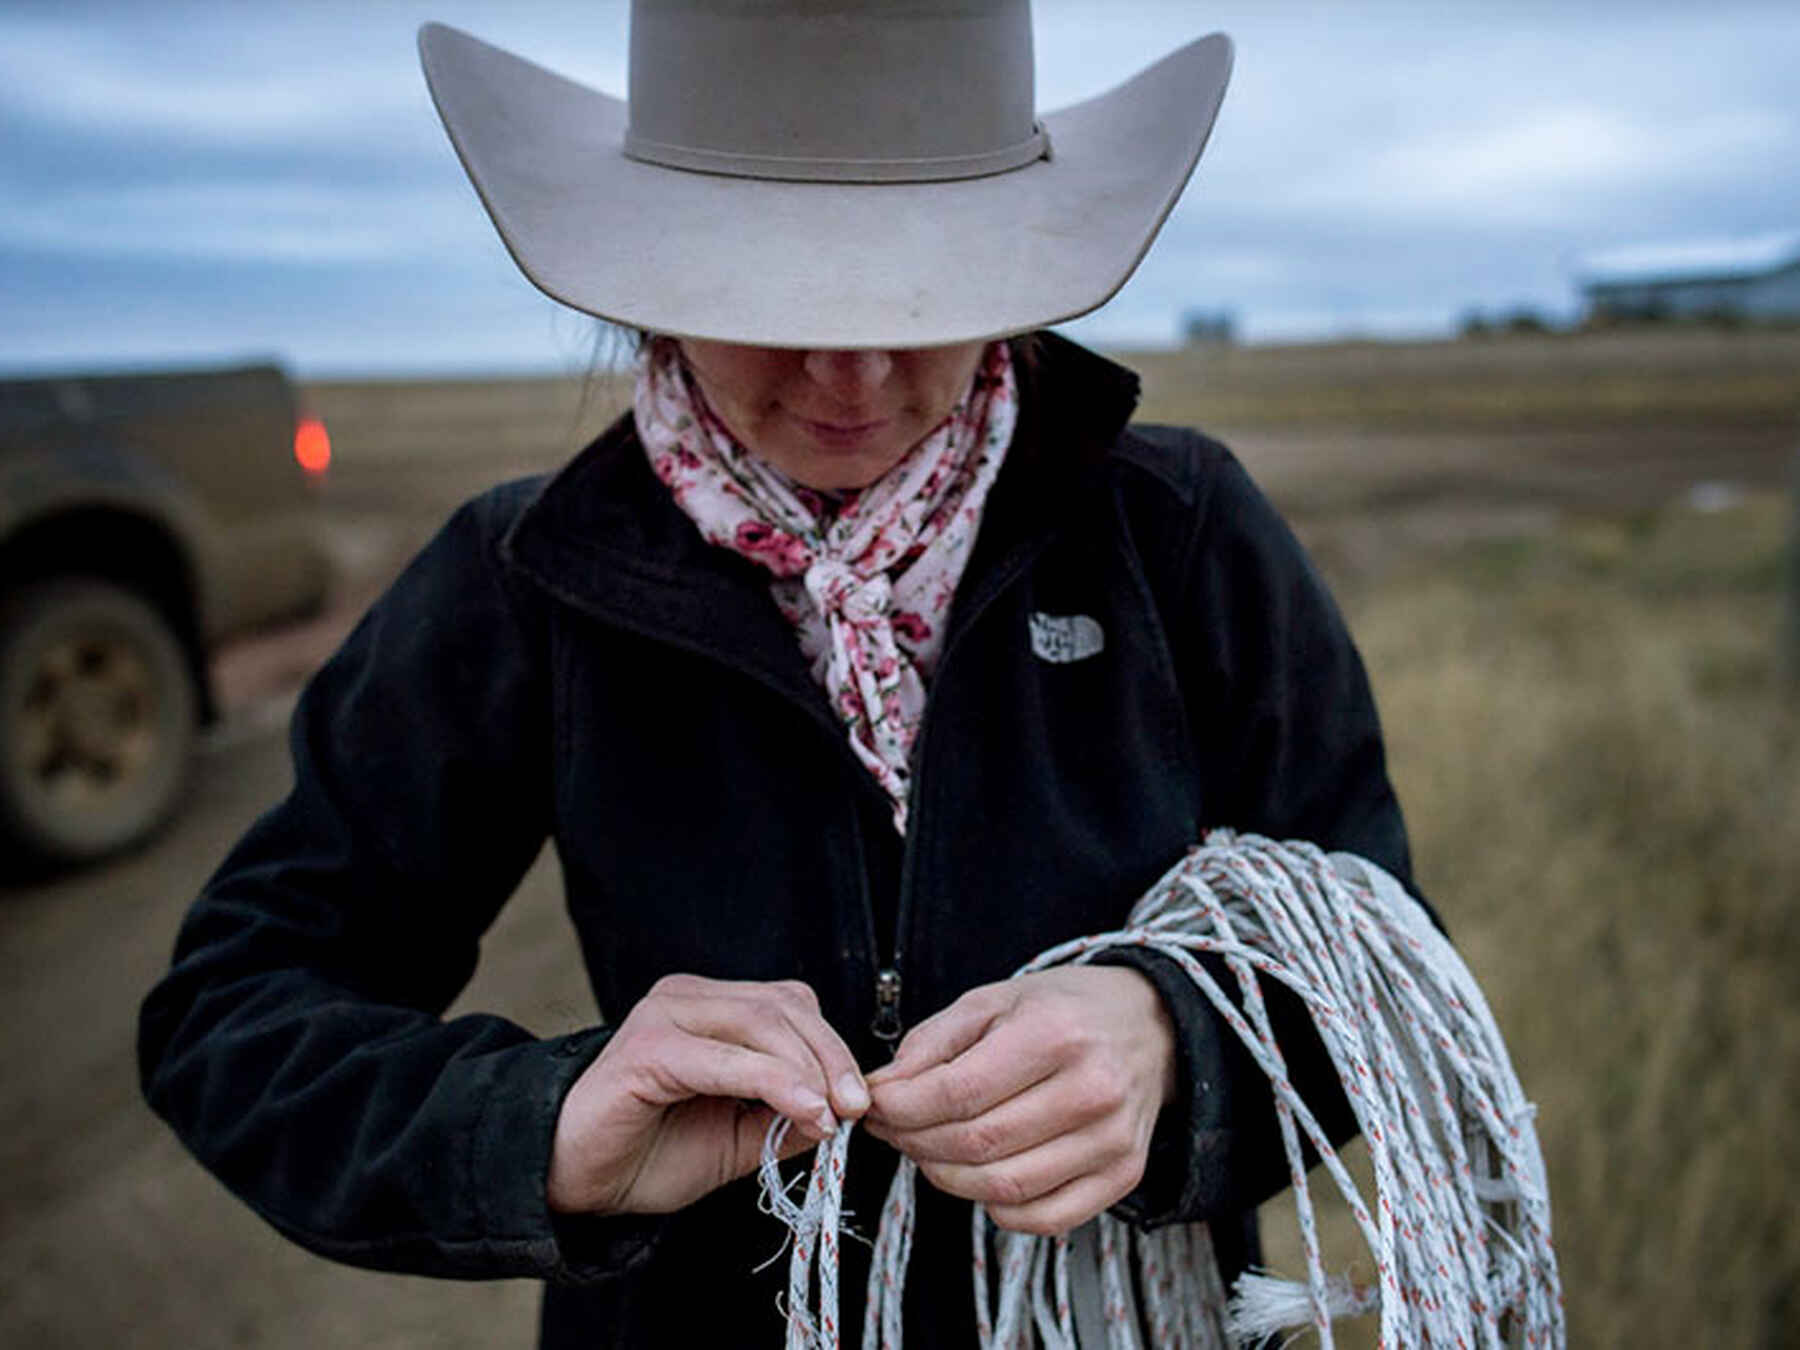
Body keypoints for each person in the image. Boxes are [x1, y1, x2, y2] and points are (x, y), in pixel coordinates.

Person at [139, 4, 1417, 1346]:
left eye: (923, 287)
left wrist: (1179, 1043)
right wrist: (555, 1128)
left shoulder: (1177, 529)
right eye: (772, 295)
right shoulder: (530, 577)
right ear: (647, 274)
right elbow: (232, 1010)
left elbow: (1385, 950)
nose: (851, 372)